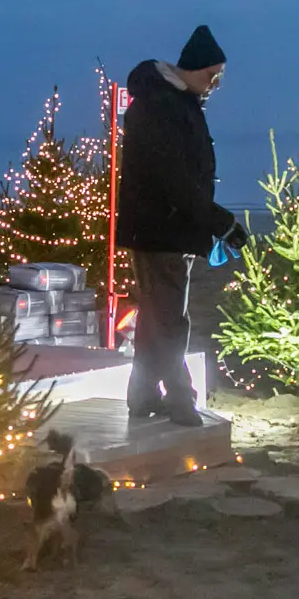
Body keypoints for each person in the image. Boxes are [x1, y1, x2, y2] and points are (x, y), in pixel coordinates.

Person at [115, 25, 247, 428]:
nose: (216, 84)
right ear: (192, 68)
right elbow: (173, 179)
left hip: (166, 229)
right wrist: (220, 222)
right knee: (170, 320)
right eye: (212, 75)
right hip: (161, 231)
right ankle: (180, 400)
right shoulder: (160, 107)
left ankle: (142, 395)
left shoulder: (174, 103)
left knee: (158, 318)